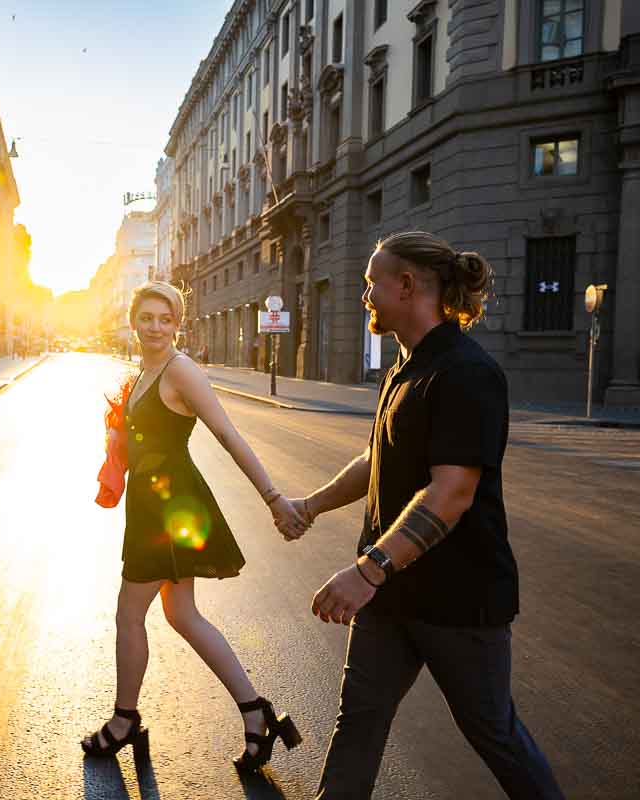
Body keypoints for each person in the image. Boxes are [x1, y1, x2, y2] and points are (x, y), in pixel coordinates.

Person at [291, 231, 564, 799]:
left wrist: (367, 570)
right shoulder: (403, 368)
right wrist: (313, 505)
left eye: (372, 282)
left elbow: (451, 494)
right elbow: (379, 457)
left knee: (492, 732)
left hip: (459, 602)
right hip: (390, 597)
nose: (365, 294)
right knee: (359, 721)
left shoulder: (466, 373)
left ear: (407, 285)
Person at [81, 281, 309, 772]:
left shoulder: (181, 371)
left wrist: (272, 497)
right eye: (147, 318)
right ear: (133, 320)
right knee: (182, 616)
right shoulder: (145, 370)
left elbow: (227, 433)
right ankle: (256, 713)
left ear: (177, 324)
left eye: (166, 319)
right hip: (155, 504)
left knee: (129, 615)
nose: (156, 327)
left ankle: (124, 721)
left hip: (169, 509)